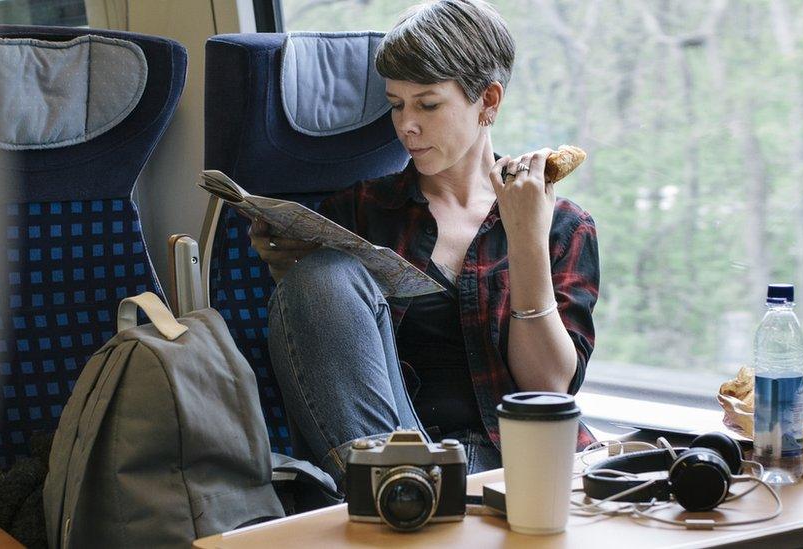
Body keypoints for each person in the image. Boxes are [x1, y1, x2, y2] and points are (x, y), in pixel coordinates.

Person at [249, 0, 599, 485]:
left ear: (489, 102)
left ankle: (406, 499)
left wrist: (525, 240)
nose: (405, 126)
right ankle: (401, 490)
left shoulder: (563, 224)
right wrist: (288, 274)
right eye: (396, 105)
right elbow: (329, 360)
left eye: (428, 104)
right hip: (407, 457)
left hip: (529, 463)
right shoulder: (357, 214)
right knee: (322, 278)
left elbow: (547, 390)